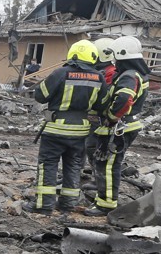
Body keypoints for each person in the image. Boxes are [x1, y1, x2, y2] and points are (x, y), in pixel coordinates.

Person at [27, 39, 104, 214]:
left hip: (55, 129)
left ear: (73, 54)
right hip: (81, 132)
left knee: (48, 165)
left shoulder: (61, 73)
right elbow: (102, 104)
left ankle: (44, 205)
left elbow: (40, 95)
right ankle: (68, 204)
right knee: (73, 166)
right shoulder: (98, 77)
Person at [87, 36, 149, 217]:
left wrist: (111, 117)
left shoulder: (128, 76)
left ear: (122, 55)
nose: (113, 60)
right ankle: (103, 200)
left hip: (120, 128)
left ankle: (106, 205)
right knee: (103, 163)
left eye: (115, 56)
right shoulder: (132, 74)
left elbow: (123, 99)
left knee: (108, 165)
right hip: (122, 126)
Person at [84, 37, 119, 179]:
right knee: (88, 146)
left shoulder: (109, 72)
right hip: (94, 116)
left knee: (93, 147)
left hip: (101, 117)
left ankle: (98, 178)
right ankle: (94, 175)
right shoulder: (102, 71)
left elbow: (104, 94)